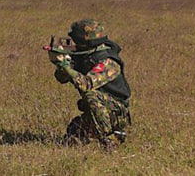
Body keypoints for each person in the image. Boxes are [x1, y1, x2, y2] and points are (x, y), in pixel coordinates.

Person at [47, 19, 133, 149]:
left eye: (76, 41)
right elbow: (61, 79)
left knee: (90, 94)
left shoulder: (108, 61)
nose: (73, 44)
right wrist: (61, 64)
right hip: (97, 110)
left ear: (85, 41)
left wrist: (66, 66)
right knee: (74, 133)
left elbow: (86, 84)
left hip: (116, 112)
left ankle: (111, 139)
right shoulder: (83, 56)